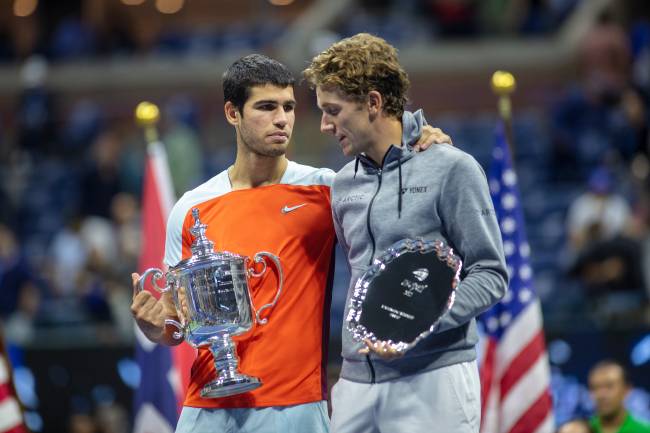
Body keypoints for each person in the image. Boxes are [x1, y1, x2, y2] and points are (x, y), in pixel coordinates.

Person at [130, 54, 450, 433]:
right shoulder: (191, 208)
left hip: (297, 408)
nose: (282, 118)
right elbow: (178, 323)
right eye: (266, 107)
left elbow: (400, 212)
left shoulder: (328, 189)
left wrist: (426, 142)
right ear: (233, 113)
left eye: (288, 107)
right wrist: (155, 326)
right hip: (207, 407)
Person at [303, 33, 508, 433]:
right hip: (356, 381)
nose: (325, 125)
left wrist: (417, 323)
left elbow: (490, 274)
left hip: (434, 379)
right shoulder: (342, 185)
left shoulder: (451, 168)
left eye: (333, 110)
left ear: (374, 103)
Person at [588, 360, 650, 433]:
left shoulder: (644, 431)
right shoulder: (583, 430)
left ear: (626, 390)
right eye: (595, 388)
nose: (601, 395)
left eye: (609, 386)